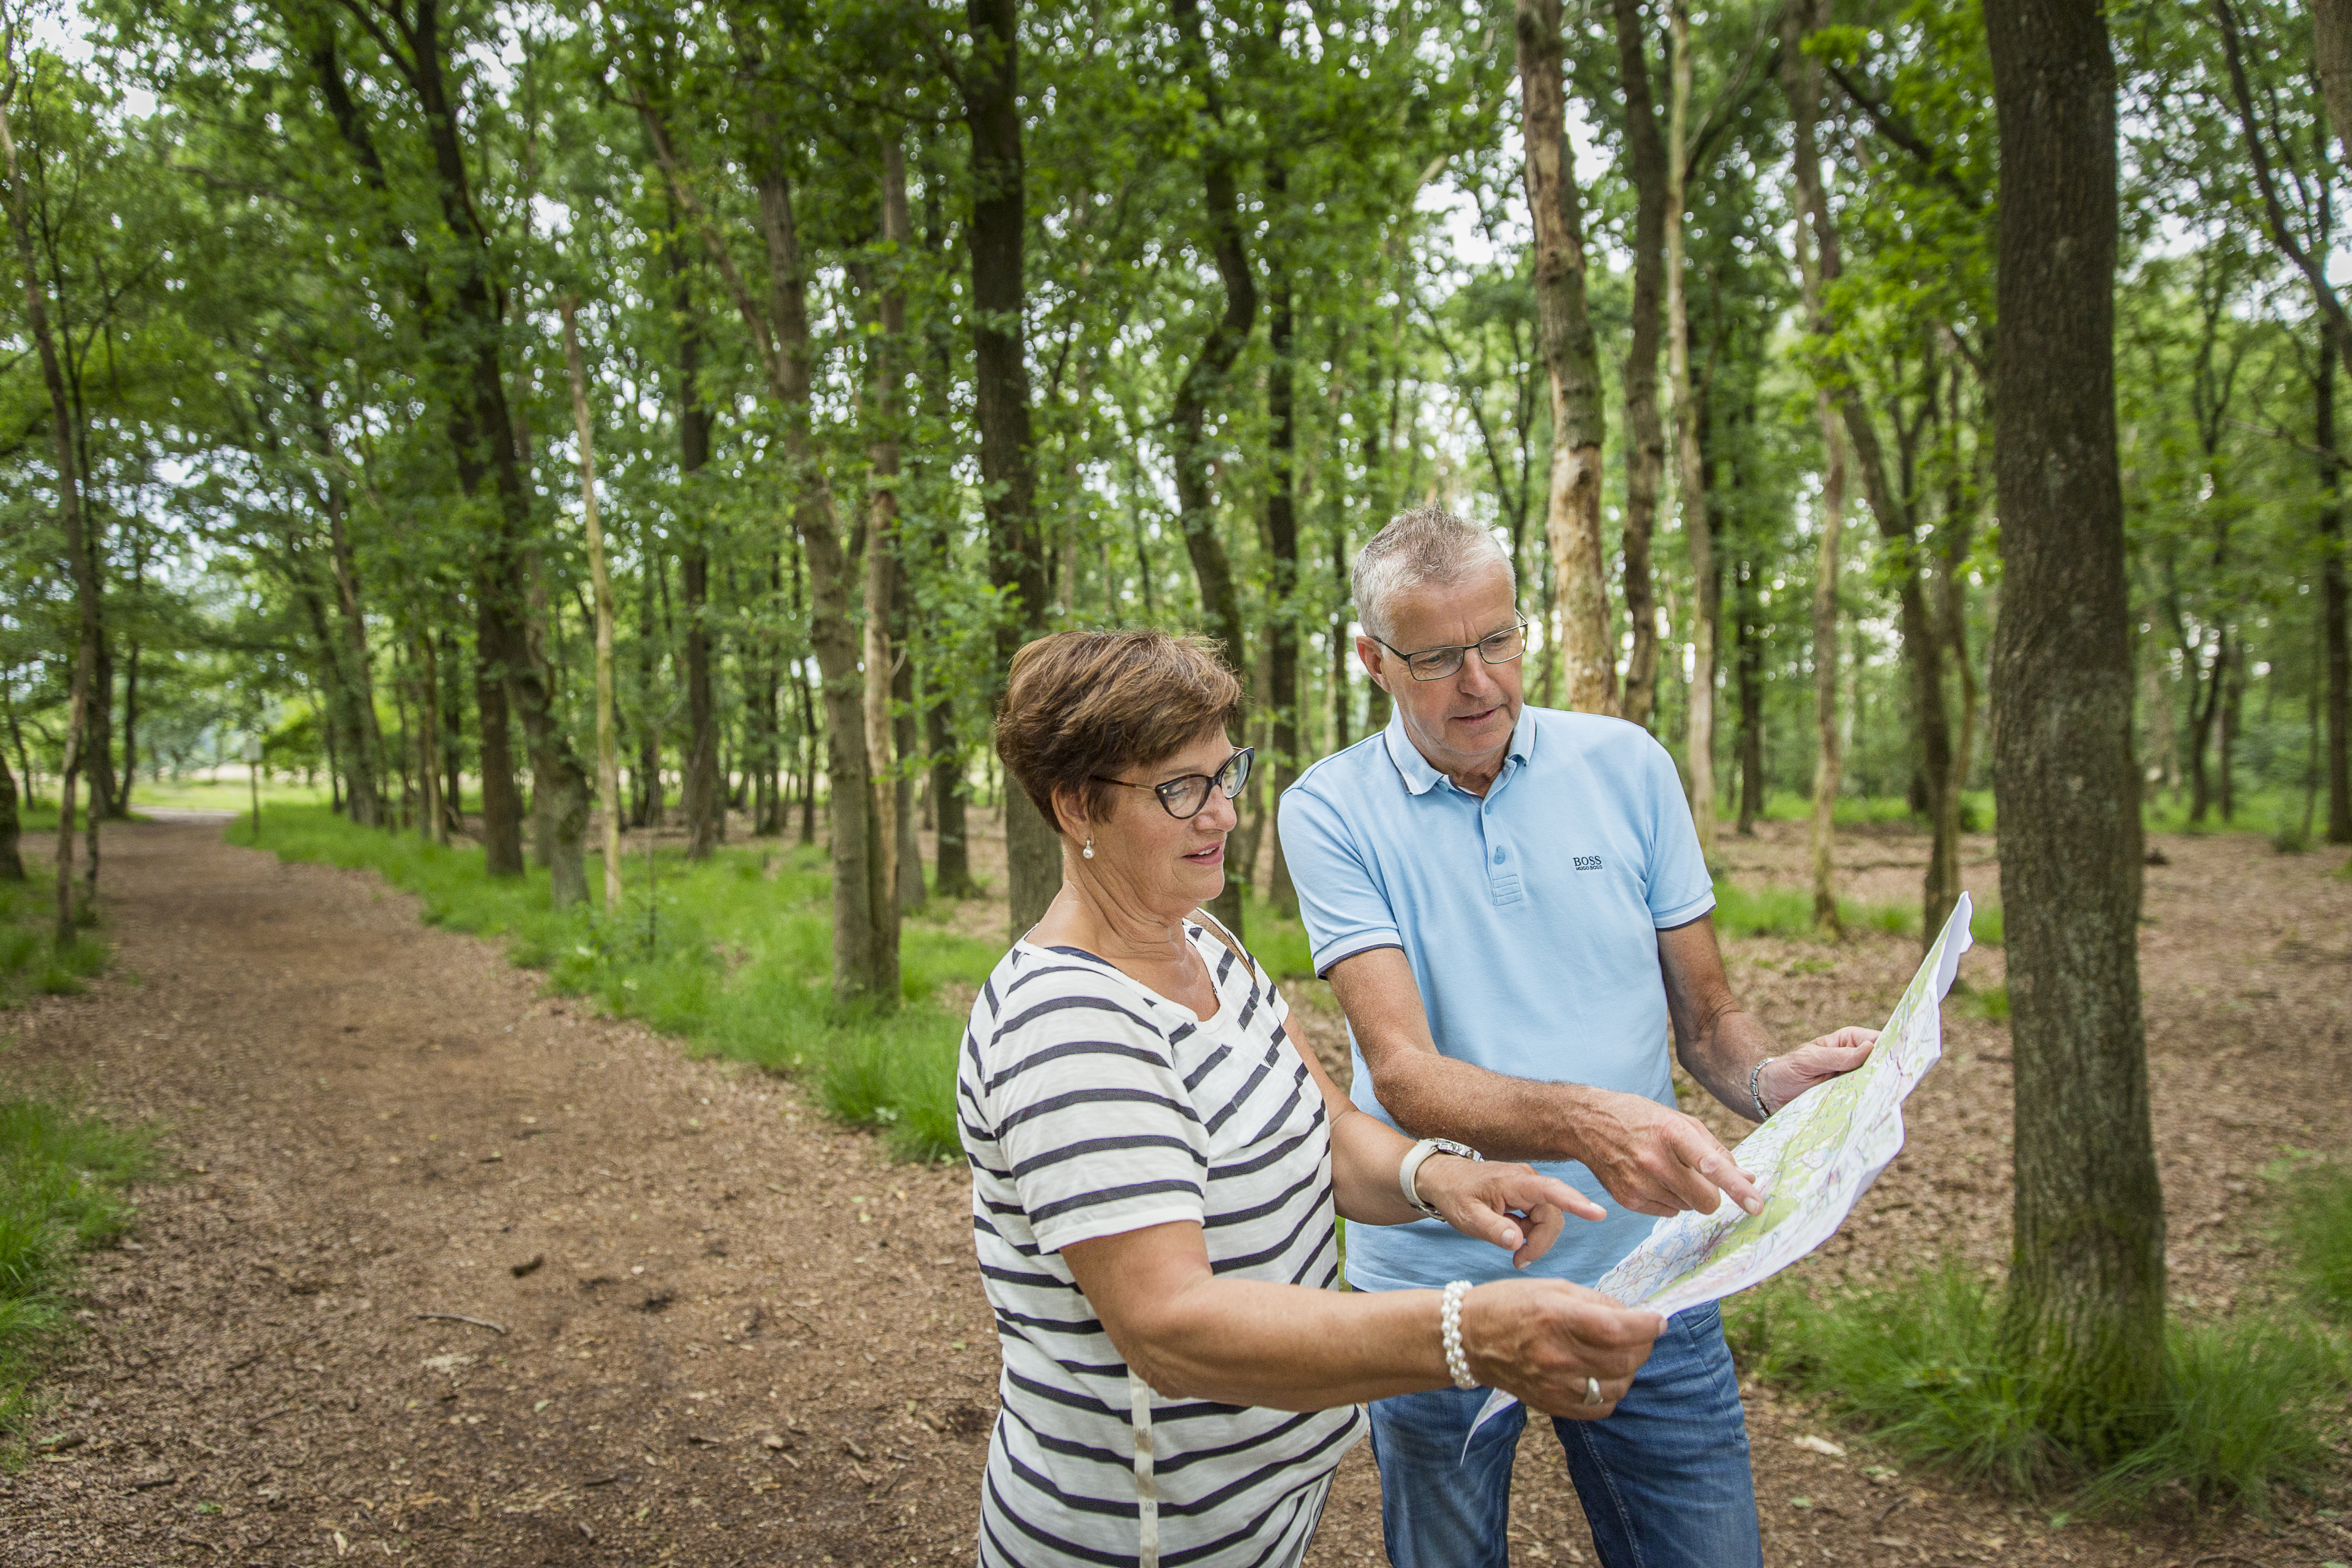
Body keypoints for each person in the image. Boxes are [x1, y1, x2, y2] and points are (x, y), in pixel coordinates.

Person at [960, 629, 1669, 1568]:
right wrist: (1467, 1334)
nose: (1223, 816)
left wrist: (1437, 1176)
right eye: (1181, 790)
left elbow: (1327, 1126)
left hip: (1255, 1522)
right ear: (1075, 806)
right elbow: (1171, 1329)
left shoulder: (1202, 942)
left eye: (1227, 775)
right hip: (1142, 1538)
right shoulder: (1070, 1028)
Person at [1277, 508, 1881, 1568]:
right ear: (1371, 661)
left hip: (1653, 1260)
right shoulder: (1328, 811)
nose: (1482, 683)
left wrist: (1775, 1079)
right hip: (1438, 1287)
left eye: (1499, 640)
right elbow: (1405, 1076)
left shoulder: (1629, 766)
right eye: (1438, 658)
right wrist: (1593, 1121)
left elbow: (1707, 1019)